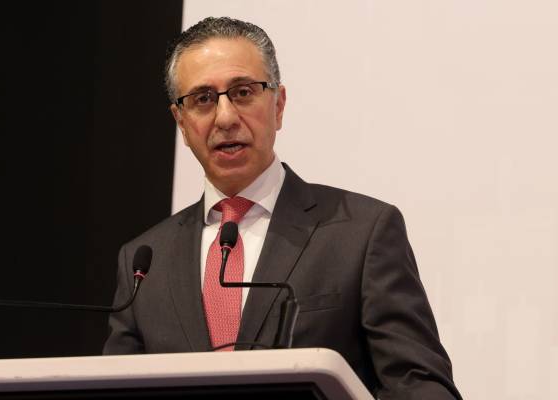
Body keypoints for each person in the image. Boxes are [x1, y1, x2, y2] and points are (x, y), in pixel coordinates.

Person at [103, 17, 461, 399]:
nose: (225, 117)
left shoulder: (362, 233)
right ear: (181, 121)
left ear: (278, 105)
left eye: (243, 92)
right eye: (203, 99)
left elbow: (422, 387)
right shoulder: (144, 262)